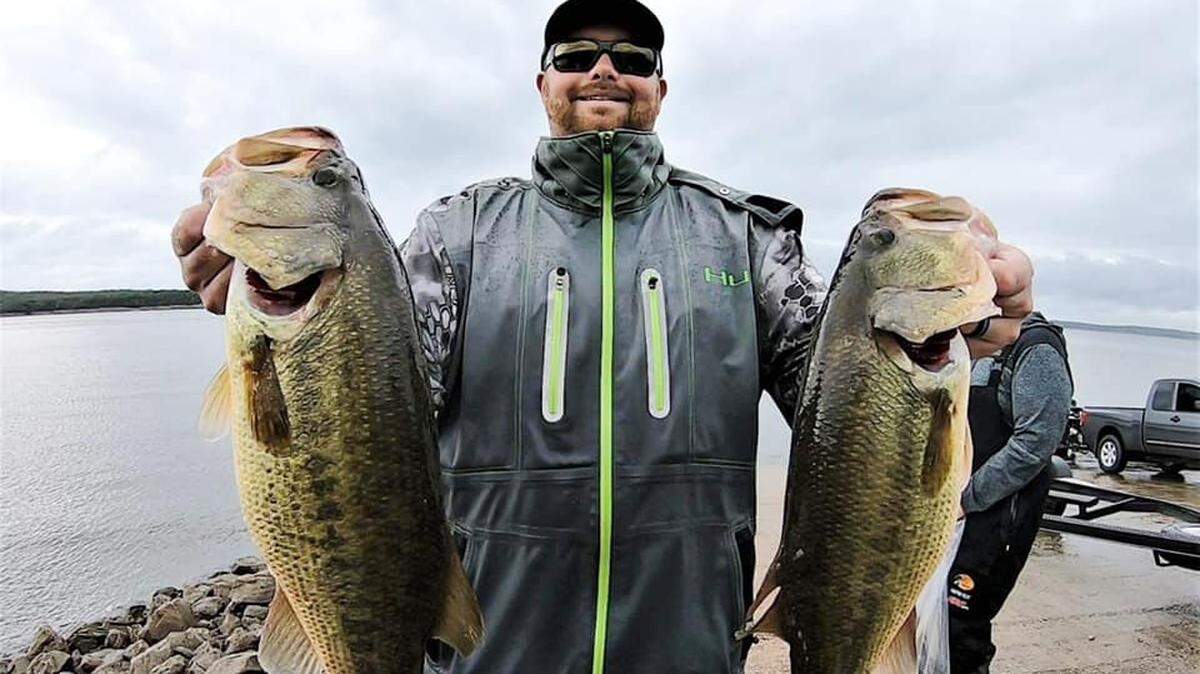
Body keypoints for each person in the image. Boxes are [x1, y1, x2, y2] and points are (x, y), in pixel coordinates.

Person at [171, 2, 1035, 671]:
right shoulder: (455, 234)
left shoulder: (744, 237)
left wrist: (972, 319)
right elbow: (387, 385)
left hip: (692, 648)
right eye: (576, 55)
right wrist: (276, 312)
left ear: (661, 87)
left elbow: (841, 382)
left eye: (634, 57)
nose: (605, 69)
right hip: (491, 648)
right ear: (542, 82)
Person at [947, 312, 1073, 673]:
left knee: (963, 630)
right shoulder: (963, 344)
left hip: (998, 519)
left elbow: (1035, 444)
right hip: (951, 518)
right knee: (931, 622)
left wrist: (966, 498)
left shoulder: (1036, 350)